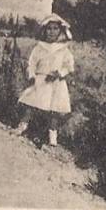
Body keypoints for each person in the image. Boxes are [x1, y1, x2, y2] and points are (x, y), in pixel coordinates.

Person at [15, 14, 74, 146]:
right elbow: (32, 63)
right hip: (41, 79)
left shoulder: (64, 49)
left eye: (55, 29)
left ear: (60, 31)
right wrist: (31, 76)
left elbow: (69, 66)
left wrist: (59, 73)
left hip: (56, 82)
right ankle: (23, 125)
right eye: (49, 29)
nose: (52, 32)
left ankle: (52, 135)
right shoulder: (39, 47)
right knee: (31, 103)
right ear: (44, 31)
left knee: (54, 109)